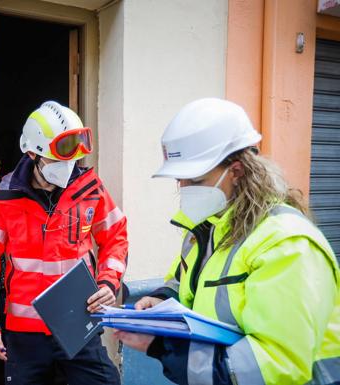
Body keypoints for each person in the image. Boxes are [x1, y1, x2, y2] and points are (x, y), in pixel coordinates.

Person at [115, 98, 340, 385]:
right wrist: (162, 298)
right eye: (179, 179)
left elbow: (275, 367)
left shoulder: (287, 244)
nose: (183, 190)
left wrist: (160, 346)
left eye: (195, 180)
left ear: (236, 171)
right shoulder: (205, 227)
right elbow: (184, 282)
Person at [0, 101, 128, 385]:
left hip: (78, 324)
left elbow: (115, 236)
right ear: (32, 152)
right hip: (24, 334)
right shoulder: (3, 198)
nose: (68, 168)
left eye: (73, 160)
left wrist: (108, 283)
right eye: (59, 160)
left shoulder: (90, 189)